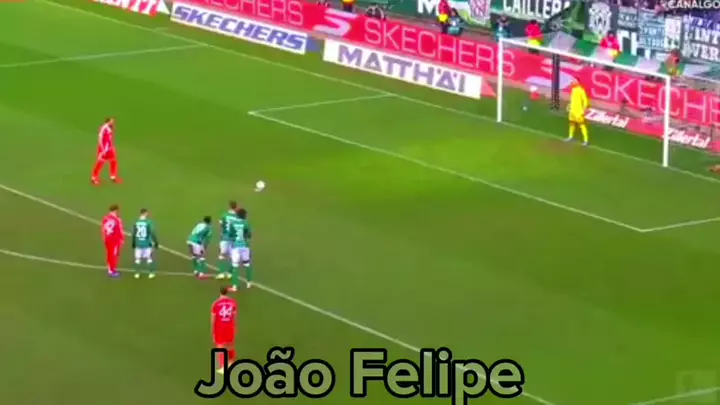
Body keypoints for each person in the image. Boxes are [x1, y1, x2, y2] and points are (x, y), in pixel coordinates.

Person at [211, 286, 237, 375]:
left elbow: (213, 319)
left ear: (220, 292)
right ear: (227, 292)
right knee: (230, 345)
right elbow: (234, 317)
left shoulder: (216, 304)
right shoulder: (233, 303)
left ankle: (223, 367)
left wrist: (213, 331)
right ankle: (232, 362)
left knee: (220, 346)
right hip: (230, 326)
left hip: (220, 327)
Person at [91, 118, 121, 185]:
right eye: (111, 121)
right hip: (104, 149)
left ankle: (113, 177)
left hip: (109, 148)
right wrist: (102, 149)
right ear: (108, 121)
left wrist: (112, 147)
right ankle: (93, 178)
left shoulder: (110, 128)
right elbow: (100, 138)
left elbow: (109, 139)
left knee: (113, 161)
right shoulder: (103, 128)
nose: (113, 122)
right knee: (100, 163)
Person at [229, 208, 253, 291]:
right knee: (247, 264)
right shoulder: (246, 223)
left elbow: (230, 235)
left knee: (235, 265)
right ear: (244, 215)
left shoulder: (232, 223)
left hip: (235, 246)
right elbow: (249, 235)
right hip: (245, 246)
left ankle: (235, 286)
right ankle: (249, 283)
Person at [131, 208, 159, 279]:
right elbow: (152, 232)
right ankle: (151, 273)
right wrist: (156, 242)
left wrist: (133, 243)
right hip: (147, 243)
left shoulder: (136, 222)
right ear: (145, 213)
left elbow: (133, 234)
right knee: (149, 258)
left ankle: (137, 274)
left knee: (137, 259)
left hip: (138, 243)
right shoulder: (148, 222)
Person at [217, 201, 239, 280]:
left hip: (225, 238)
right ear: (236, 207)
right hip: (234, 238)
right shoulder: (237, 217)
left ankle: (221, 273)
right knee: (232, 256)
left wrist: (222, 232)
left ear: (230, 206)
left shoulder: (224, 215)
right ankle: (230, 273)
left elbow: (221, 224)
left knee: (222, 255)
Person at [101, 204, 124, 278]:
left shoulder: (105, 218)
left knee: (109, 254)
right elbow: (120, 230)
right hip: (114, 240)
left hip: (107, 239)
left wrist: (104, 237)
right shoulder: (117, 219)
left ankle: (109, 268)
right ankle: (112, 271)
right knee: (114, 255)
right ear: (115, 210)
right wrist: (122, 239)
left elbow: (103, 229)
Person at [565, 80, 590, 146]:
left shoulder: (581, 90)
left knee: (582, 125)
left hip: (579, 112)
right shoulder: (573, 90)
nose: (571, 84)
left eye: (572, 83)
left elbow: (585, 101)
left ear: (576, 83)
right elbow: (572, 99)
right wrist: (569, 106)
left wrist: (584, 110)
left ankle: (586, 140)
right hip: (572, 111)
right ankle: (570, 137)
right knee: (571, 124)